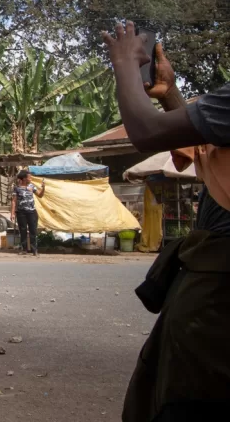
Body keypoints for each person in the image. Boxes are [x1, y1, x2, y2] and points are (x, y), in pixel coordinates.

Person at [103, 22, 230, 421]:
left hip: (219, 287)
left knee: (188, 397)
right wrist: (169, 93)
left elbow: (145, 131)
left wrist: (125, 64)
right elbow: (208, 151)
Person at [11, 170, 45, 256]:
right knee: (23, 231)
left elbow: (40, 195)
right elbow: (14, 201)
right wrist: (12, 213)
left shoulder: (31, 186)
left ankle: (34, 250)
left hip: (32, 212)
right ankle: (24, 249)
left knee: (33, 231)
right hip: (21, 213)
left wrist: (43, 188)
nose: (31, 178)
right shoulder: (17, 188)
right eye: (29, 177)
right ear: (24, 178)